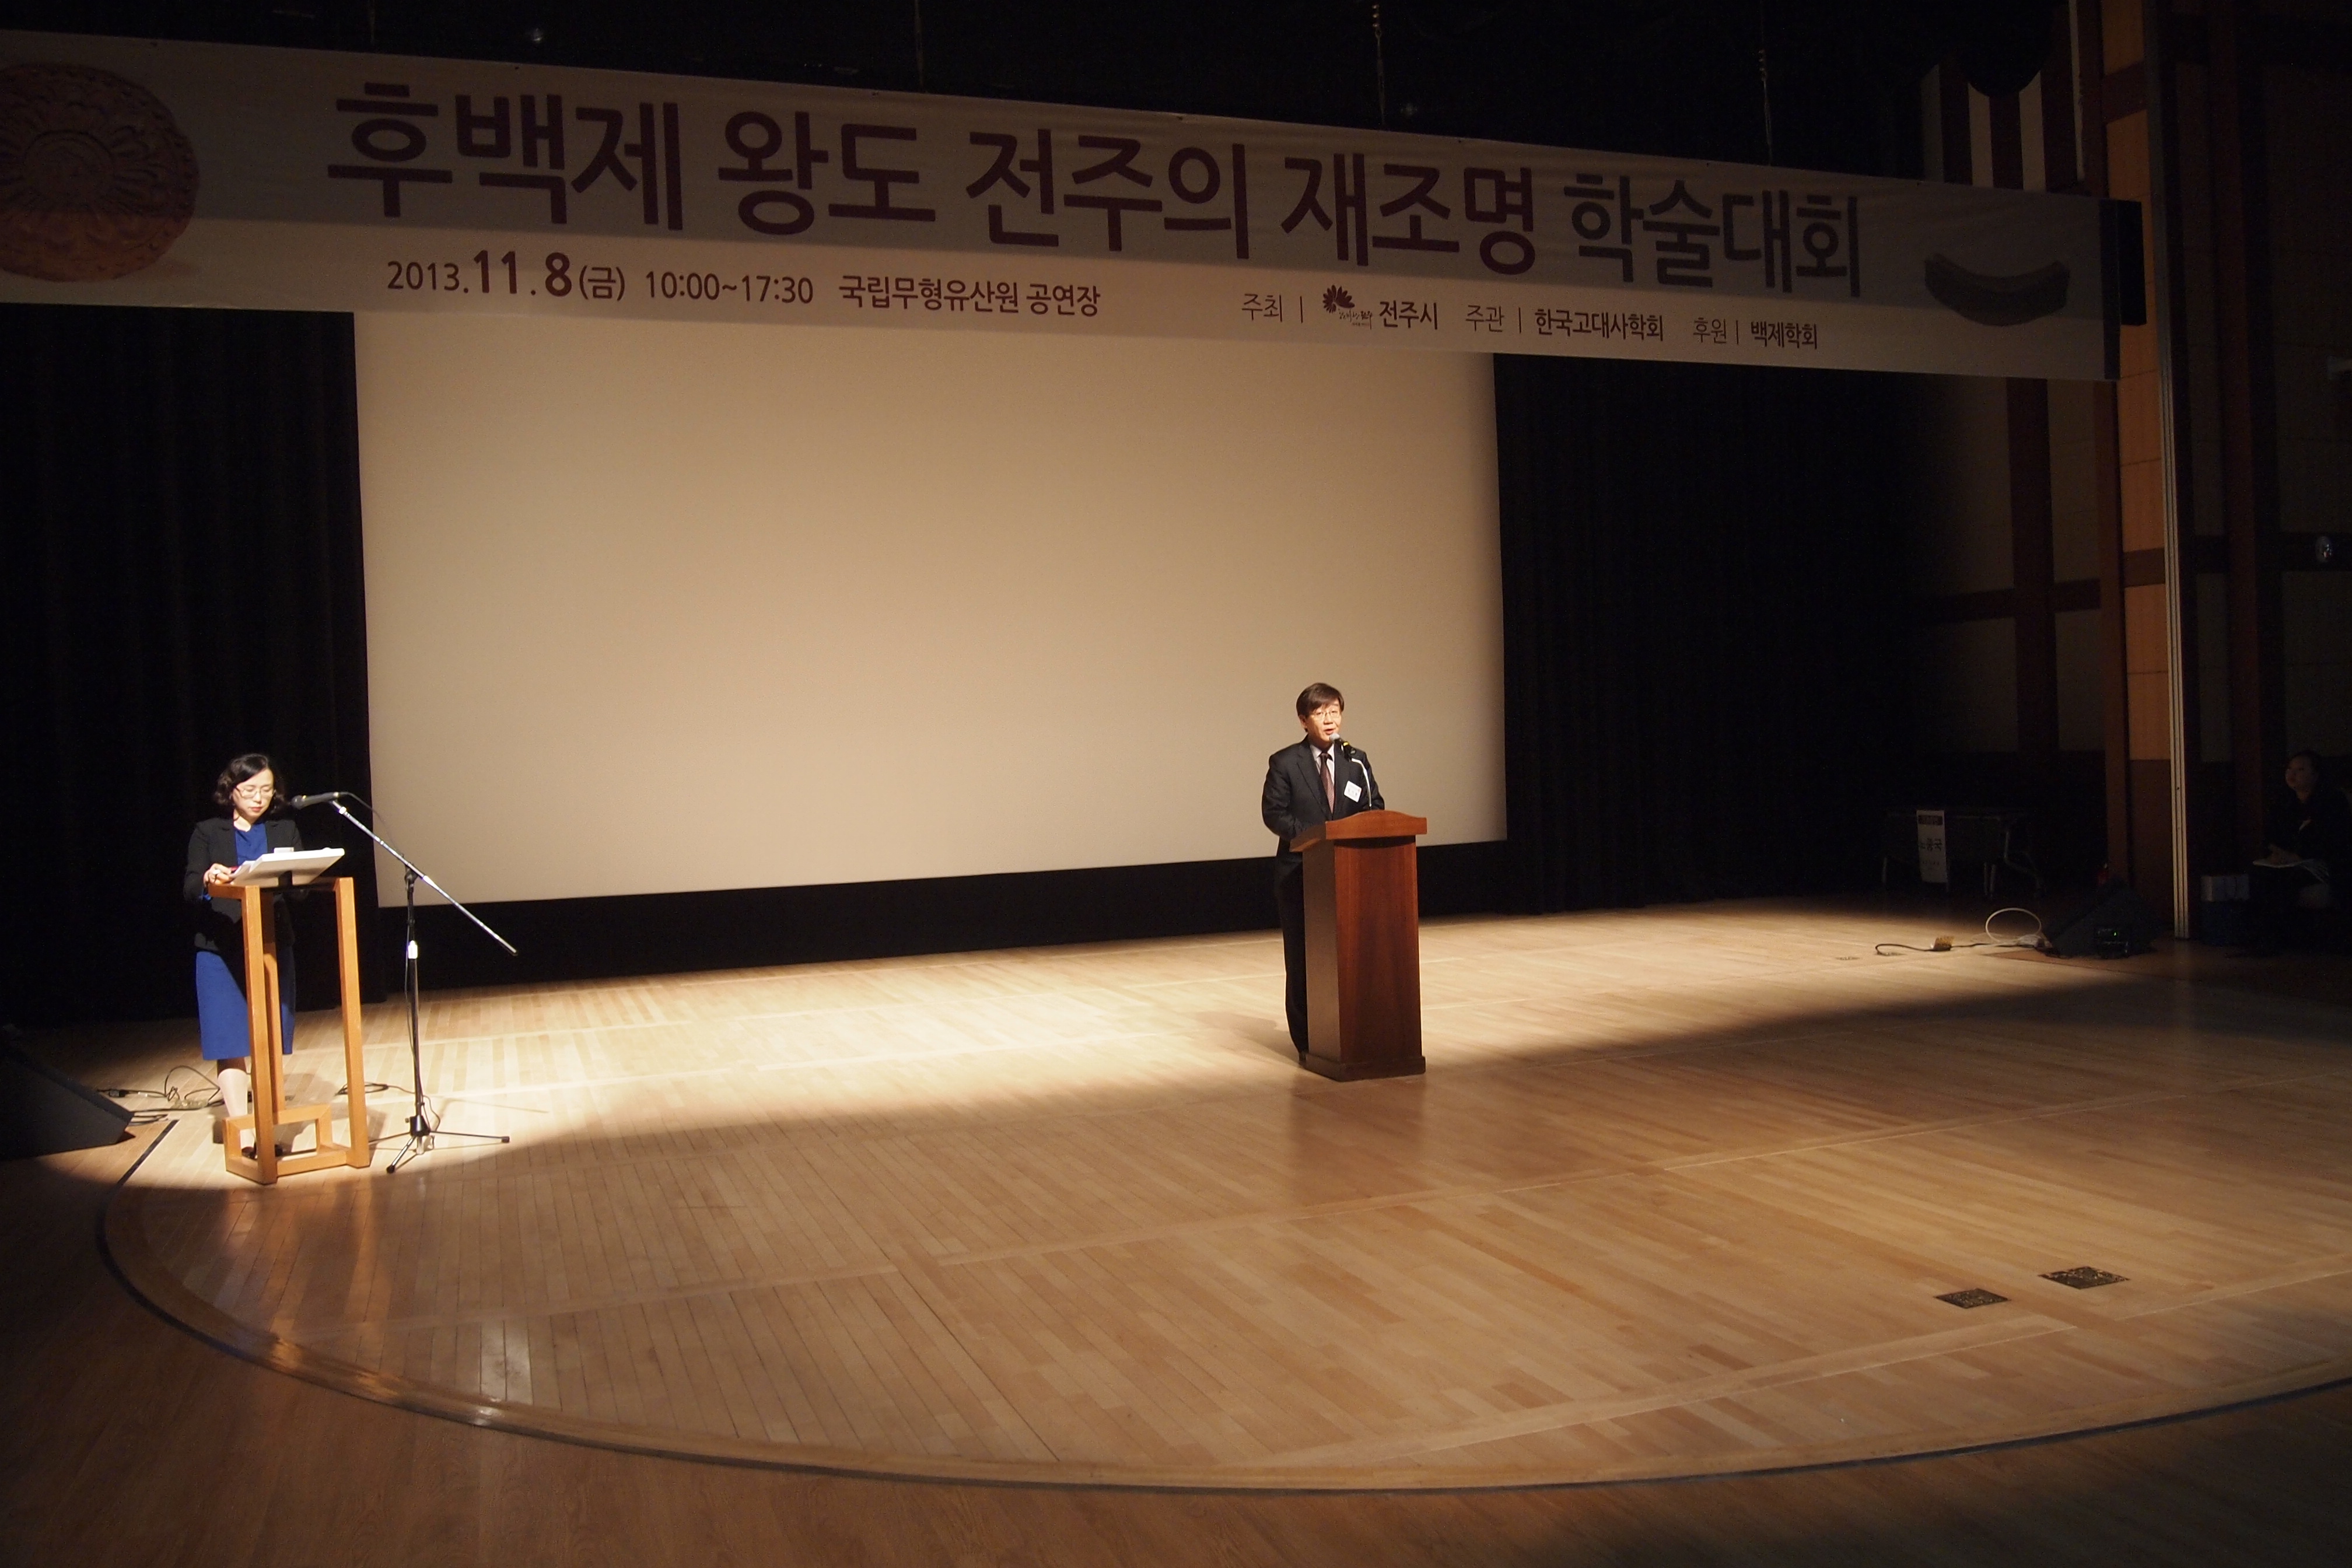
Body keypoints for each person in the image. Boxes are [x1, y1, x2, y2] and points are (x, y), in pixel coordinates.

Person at [184, 753, 304, 1146]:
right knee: (230, 1038)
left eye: (267, 790)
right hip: (221, 948)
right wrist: (209, 876)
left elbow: (300, 892)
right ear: (231, 790)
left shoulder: (285, 830)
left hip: (271, 943)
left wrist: (303, 873)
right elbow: (190, 888)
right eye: (250, 790)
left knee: (269, 1036)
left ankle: (270, 1126)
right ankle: (245, 1131)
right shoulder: (208, 831)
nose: (259, 798)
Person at [1262, 683, 1383, 1059]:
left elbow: (1375, 807)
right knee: (1303, 959)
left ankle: (1351, 1032)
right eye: (1320, 713)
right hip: (1300, 873)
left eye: (1334, 711)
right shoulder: (1285, 762)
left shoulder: (1356, 760)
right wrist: (1317, 838)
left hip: (1349, 874)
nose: (1329, 719)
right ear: (1304, 721)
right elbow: (1275, 814)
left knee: (1350, 955)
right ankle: (1307, 1042)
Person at [2245, 750, 2351, 954]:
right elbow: (2271, 835)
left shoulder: (2332, 801)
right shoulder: (2284, 801)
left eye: (2300, 770)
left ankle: (2286, 940)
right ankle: (2262, 939)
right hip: (2288, 861)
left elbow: (2333, 840)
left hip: (2324, 864)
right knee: (2260, 875)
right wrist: (2278, 853)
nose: (2292, 775)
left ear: (2315, 775)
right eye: (2289, 769)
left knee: (2288, 880)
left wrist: (2299, 856)